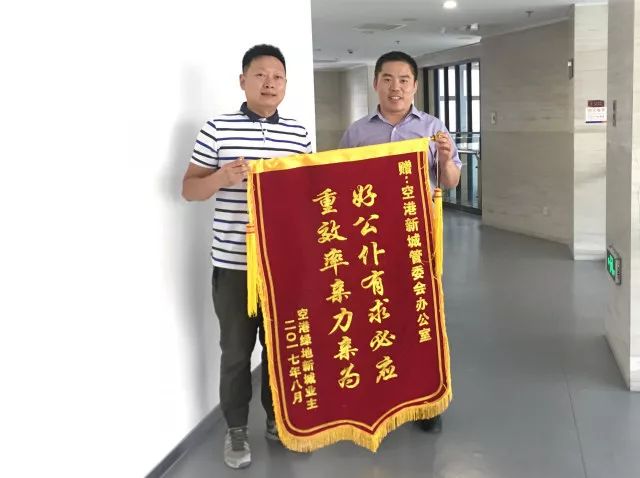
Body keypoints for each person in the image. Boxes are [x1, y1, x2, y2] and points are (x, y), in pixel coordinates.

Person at [182, 44, 312, 469]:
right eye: (260, 75)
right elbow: (189, 189)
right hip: (234, 265)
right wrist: (221, 177)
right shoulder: (217, 130)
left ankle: (278, 420)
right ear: (243, 81)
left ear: (286, 84)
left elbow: (310, 195)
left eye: (278, 76)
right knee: (237, 353)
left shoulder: (299, 134)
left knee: (281, 348)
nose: (270, 83)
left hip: (282, 266)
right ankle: (236, 429)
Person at [339, 50, 461, 432]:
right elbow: (339, 183)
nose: (396, 87)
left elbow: (451, 181)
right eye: (388, 79)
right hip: (370, 241)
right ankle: (382, 394)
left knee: (420, 318)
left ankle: (426, 402)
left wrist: (445, 159)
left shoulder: (433, 128)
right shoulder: (357, 133)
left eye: (404, 80)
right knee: (375, 315)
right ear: (376, 83)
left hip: (418, 238)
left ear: (414, 86)